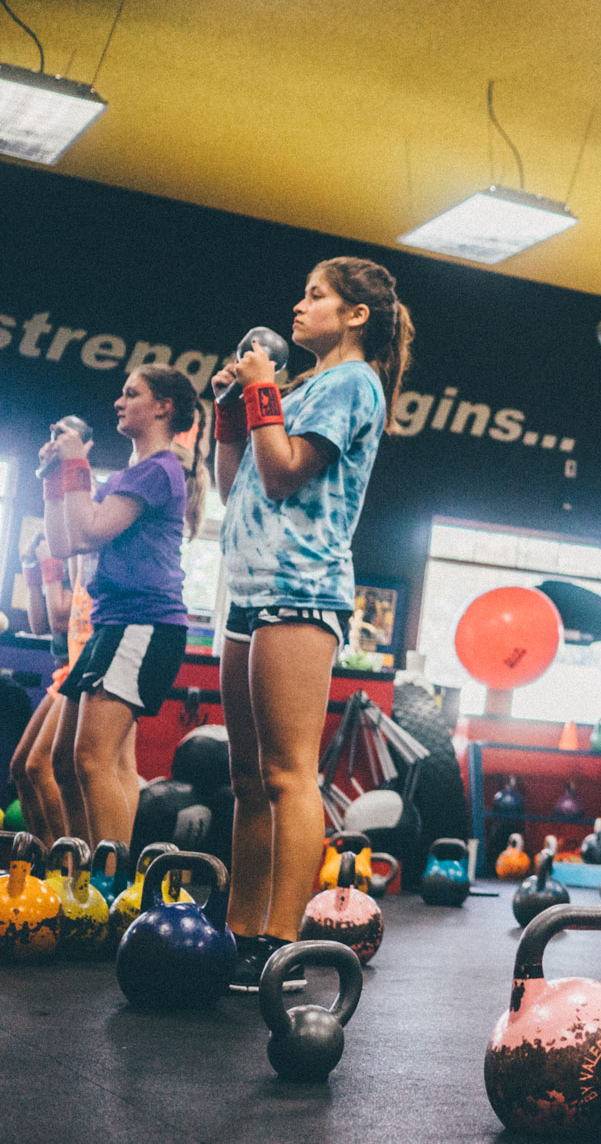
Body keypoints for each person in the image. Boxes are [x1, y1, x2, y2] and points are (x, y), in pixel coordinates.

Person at [212, 257, 408, 993]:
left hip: (302, 588)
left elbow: (285, 470)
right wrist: (236, 407)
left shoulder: (354, 383)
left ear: (356, 314)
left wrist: (264, 385)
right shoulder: (307, 386)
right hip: (247, 590)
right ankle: (238, 932)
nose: (299, 306)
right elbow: (232, 481)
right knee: (246, 778)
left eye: (316, 296)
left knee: (289, 773)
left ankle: (282, 942)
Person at [39, 367, 203, 847]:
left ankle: (112, 891)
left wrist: (76, 466)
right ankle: (77, 881)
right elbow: (65, 542)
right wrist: (56, 477)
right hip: (112, 625)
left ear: (163, 407)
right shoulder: (124, 477)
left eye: (132, 394)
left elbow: (89, 530)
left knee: (92, 761)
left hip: (146, 624)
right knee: (64, 765)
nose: (119, 401)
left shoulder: (159, 470)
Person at [9, 533, 75, 844]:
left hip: (85, 665)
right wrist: (31, 566)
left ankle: (64, 864)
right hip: (64, 669)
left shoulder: (79, 550)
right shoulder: (58, 555)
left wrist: (50, 563)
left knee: (37, 765)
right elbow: (39, 624)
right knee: (21, 768)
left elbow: (61, 618)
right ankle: (43, 858)